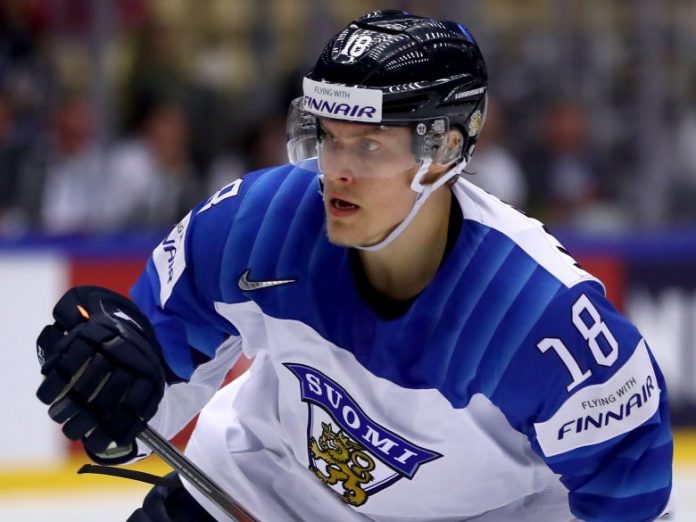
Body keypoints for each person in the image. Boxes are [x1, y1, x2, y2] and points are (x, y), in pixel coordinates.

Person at [35, 10, 673, 522]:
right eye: (328, 137)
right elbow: (151, 383)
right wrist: (116, 387)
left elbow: (630, 492)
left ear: (444, 149)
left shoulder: (539, 314)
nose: (336, 170)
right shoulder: (257, 222)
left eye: (368, 145)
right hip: (260, 491)